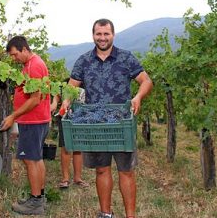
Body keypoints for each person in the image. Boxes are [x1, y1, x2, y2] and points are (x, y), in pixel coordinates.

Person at [60, 19, 153, 218]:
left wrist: (138, 97)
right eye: (98, 34)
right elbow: (71, 86)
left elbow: (146, 81)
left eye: (106, 34)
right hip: (95, 125)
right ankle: (106, 213)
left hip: (121, 122)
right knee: (101, 170)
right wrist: (66, 101)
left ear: (113, 35)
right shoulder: (84, 60)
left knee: (126, 171)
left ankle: (130, 216)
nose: (102, 38)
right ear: (93, 35)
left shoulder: (126, 58)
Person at [0, 36, 51, 215]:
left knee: (30, 160)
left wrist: (13, 116)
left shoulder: (34, 65)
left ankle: (35, 203)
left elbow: (35, 99)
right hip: (37, 120)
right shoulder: (29, 65)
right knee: (36, 159)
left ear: (24, 49)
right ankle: (39, 197)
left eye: (15, 55)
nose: (14, 59)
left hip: (33, 120)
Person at [50, 85, 89, 189]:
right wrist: (54, 102)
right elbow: (58, 92)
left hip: (82, 117)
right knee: (66, 147)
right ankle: (65, 179)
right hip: (66, 116)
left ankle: (78, 178)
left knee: (78, 147)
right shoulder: (68, 78)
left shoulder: (87, 76)